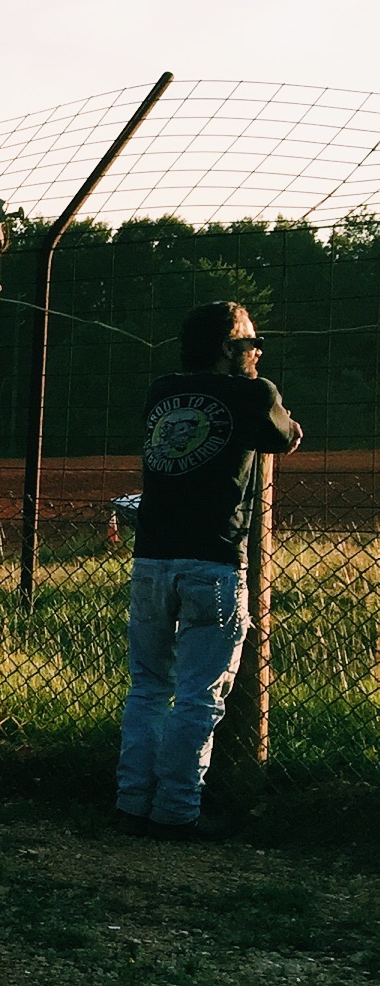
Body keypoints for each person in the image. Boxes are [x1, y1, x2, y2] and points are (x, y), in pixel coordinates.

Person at [114, 301, 302, 839]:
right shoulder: (254, 394)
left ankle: (131, 805)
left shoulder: (162, 390)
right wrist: (263, 390)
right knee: (199, 695)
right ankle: (176, 811)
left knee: (147, 688)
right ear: (227, 348)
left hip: (151, 558)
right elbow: (283, 436)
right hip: (213, 562)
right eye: (248, 340)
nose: (257, 348)